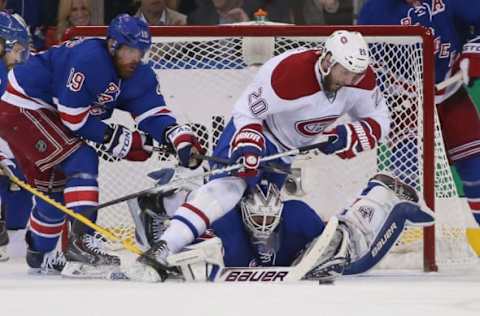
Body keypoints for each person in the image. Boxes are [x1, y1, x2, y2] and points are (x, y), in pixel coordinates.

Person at [132, 29, 391, 279]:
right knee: (228, 189)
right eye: (344, 72)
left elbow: (379, 120)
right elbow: (246, 111)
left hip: (286, 152)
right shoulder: (289, 72)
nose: (349, 79)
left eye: (355, 75)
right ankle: (164, 247)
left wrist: (348, 136)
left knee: (258, 209)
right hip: (258, 130)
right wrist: (250, 146)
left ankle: (166, 202)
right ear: (327, 61)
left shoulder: (361, 80)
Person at [0, 14, 204, 275]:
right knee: (81, 158)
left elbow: (153, 113)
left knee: (54, 194)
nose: (135, 58)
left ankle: (38, 256)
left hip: (41, 112)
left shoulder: (139, 74)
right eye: (130, 50)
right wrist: (123, 141)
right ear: (112, 45)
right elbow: (74, 118)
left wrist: (180, 139)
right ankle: (82, 241)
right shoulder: (89, 58)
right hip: (23, 104)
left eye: (140, 52)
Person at [129, 173, 434, 281]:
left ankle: (379, 191)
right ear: (245, 213)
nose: (262, 228)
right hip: (195, 214)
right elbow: (197, 240)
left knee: (350, 245)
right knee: (193, 212)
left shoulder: (297, 215)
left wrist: (333, 250)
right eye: (257, 220)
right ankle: (160, 203)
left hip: (294, 254)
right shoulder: (228, 224)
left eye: (268, 220)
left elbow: (335, 239)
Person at [358, 0, 480, 227]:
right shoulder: (375, 10)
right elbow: (367, 60)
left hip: (450, 94)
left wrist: (473, 54)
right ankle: (381, 231)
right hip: (404, 100)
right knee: (407, 177)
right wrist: (388, 91)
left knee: (476, 167)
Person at [0, 11, 32, 262]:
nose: (21, 54)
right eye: (17, 47)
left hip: (15, 156)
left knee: (18, 222)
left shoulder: (23, 76)